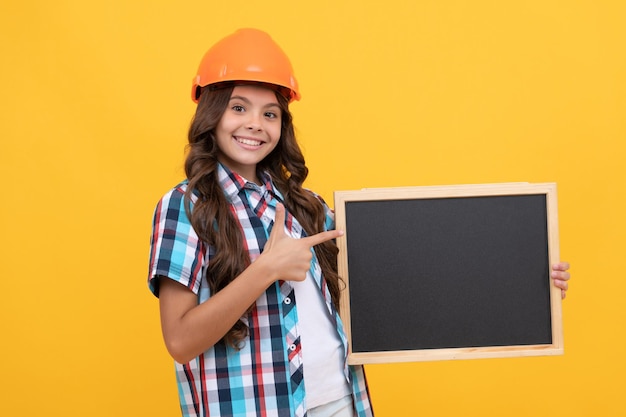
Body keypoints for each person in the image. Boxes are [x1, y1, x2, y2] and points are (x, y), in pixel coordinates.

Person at [147, 28, 571, 417]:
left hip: (340, 401)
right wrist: (267, 269)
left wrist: (524, 283)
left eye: (270, 113)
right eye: (239, 108)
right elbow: (180, 341)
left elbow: (401, 277)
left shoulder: (305, 206)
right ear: (211, 114)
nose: (255, 124)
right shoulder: (187, 206)